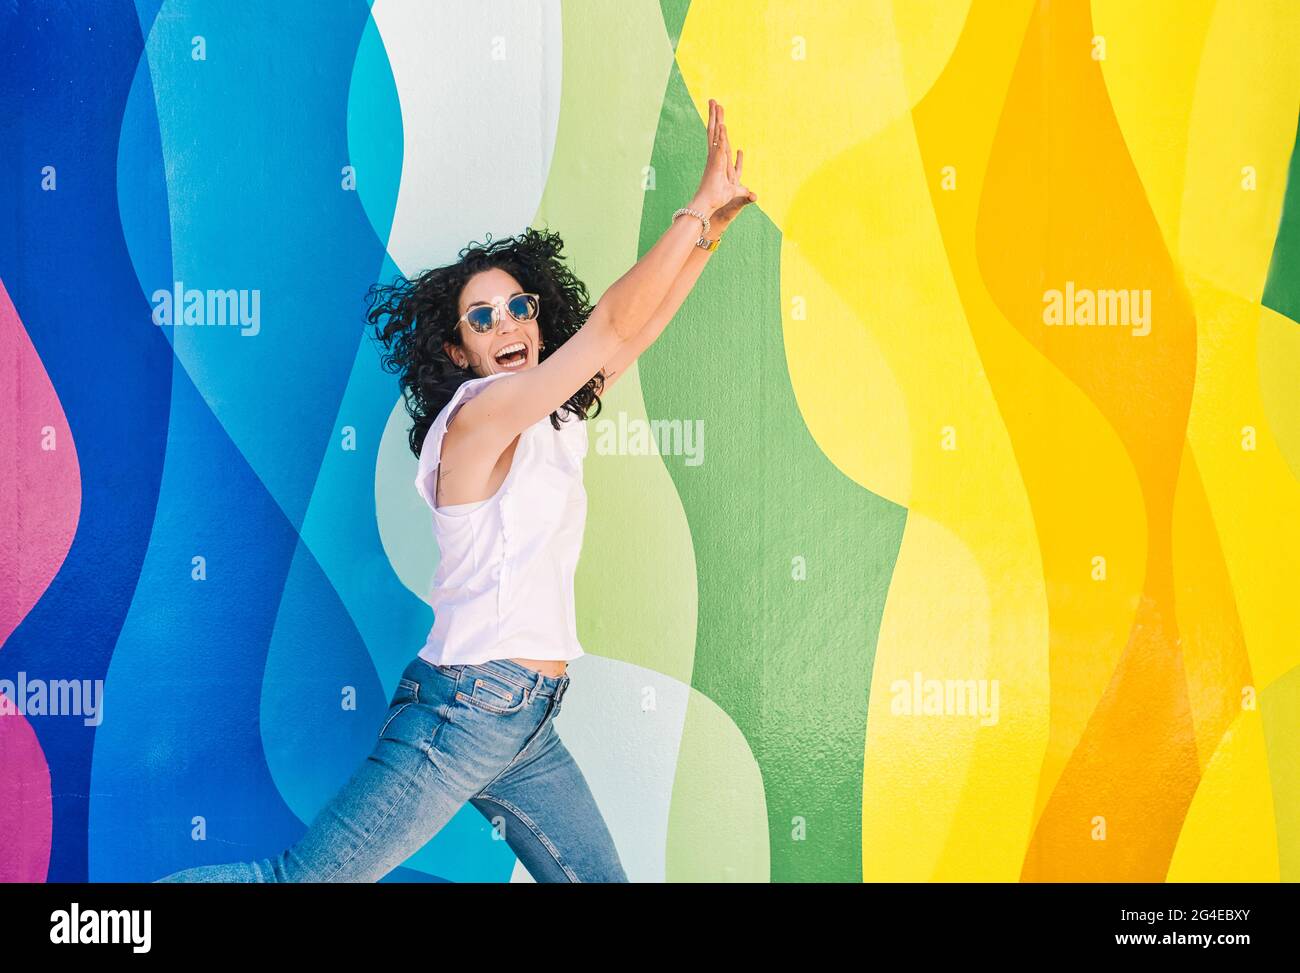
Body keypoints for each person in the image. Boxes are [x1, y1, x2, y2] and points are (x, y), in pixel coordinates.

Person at [155, 98, 756, 883]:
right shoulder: (475, 418)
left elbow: (635, 330)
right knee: (296, 881)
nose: (507, 324)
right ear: (458, 350)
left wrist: (711, 231)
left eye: (519, 307)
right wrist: (691, 209)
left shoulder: (545, 413)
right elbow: (609, 326)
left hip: (526, 720)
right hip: (466, 711)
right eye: (482, 318)